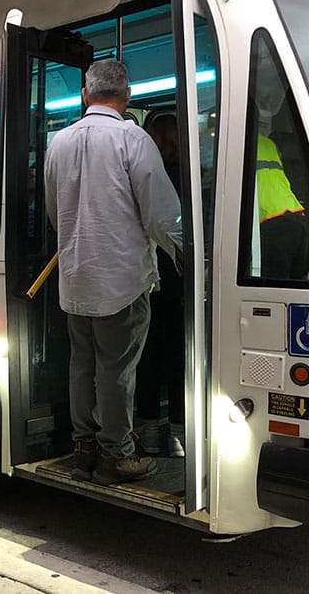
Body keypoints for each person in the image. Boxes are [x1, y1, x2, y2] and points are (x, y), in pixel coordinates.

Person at [44, 60, 182, 486]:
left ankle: (83, 448)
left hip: (75, 279)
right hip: (122, 281)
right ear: (126, 97)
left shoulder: (59, 143)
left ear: (85, 95)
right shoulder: (132, 139)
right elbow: (161, 213)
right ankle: (117, 455)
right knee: (116, 370)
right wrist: (187, 253)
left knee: (81, 365)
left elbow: (55, 213)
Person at [136, 113, 186, 457]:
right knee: (180, 357)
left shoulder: (141, 176)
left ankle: (149, 431)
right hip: (181, 276)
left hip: (147, 277)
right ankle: (180, 436)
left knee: (148, 355)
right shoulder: (192, 177)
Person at [256, 135, 306, 279]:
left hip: (271, 219)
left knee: (272, 283)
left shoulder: (231, 138)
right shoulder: (268, 143)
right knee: (292, 283)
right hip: (295, 215)